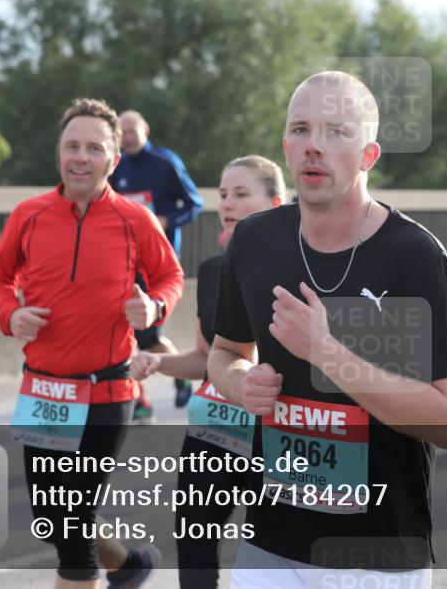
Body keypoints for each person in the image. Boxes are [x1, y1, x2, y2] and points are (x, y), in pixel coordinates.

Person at [207, 71, 447, 587]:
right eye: (302, 130)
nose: (315, 146)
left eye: (336, 132)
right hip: (271, 542)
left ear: (369, 155)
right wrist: (241, 382)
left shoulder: (414, 256)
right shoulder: (254, 241)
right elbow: (224, 352)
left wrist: (326, 352)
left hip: (375, 553)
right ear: (285, 147)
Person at [0, 98, 184, 588]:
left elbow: (170, 276)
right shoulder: (29, 215)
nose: (80, 156)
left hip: (106, 391)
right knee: (51, 519)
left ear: (113, 159)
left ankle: (112, 567)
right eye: (72, 146)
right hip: (43, 392)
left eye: (94, 148)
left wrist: (155, 308)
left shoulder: (135, 220)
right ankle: (131, 565)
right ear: (58, 153)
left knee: (72, 528)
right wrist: (12, 313)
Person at [132, 155, 284, 589]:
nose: (228, 204)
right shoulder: (213, 270)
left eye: (241, 194)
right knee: (194, 540)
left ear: (275, 204)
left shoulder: (299, 270)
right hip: (210, 430)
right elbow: (207, 357)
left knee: (271, 553)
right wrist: (158, 362)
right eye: (222, 195)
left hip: (269, 435)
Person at [111, 109, 204, 415]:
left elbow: (194, 204)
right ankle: (140, 400)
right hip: (121, 262)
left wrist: (165, 219)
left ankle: (168, 383)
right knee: (124, 332)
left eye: (131, 131)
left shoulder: (165, 163)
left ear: (145, 129)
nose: (126, 137)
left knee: (147, 337)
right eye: (121, 132)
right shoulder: (115, 165)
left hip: (156, 262)